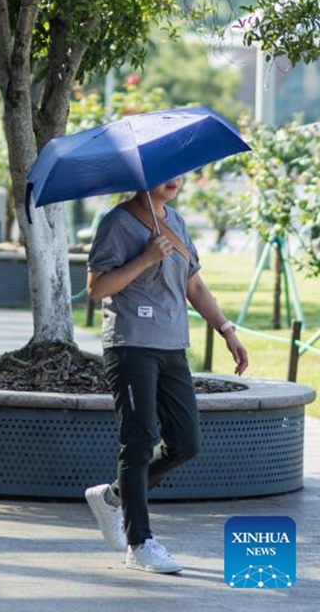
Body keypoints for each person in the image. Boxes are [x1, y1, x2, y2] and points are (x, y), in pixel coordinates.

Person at [84, 179, 249, 574]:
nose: (175, 179)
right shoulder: (117, 223)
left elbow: (193, 283)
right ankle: (139, 543)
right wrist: (143, 259)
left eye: (180, 172)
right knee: (139, 440)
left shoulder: (175, 220)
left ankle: (112, 498)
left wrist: (226, 329)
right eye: (165, 173)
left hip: (173, 346)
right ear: (142, 177)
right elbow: (96, 288)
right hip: (131, 344)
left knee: (185, 442)